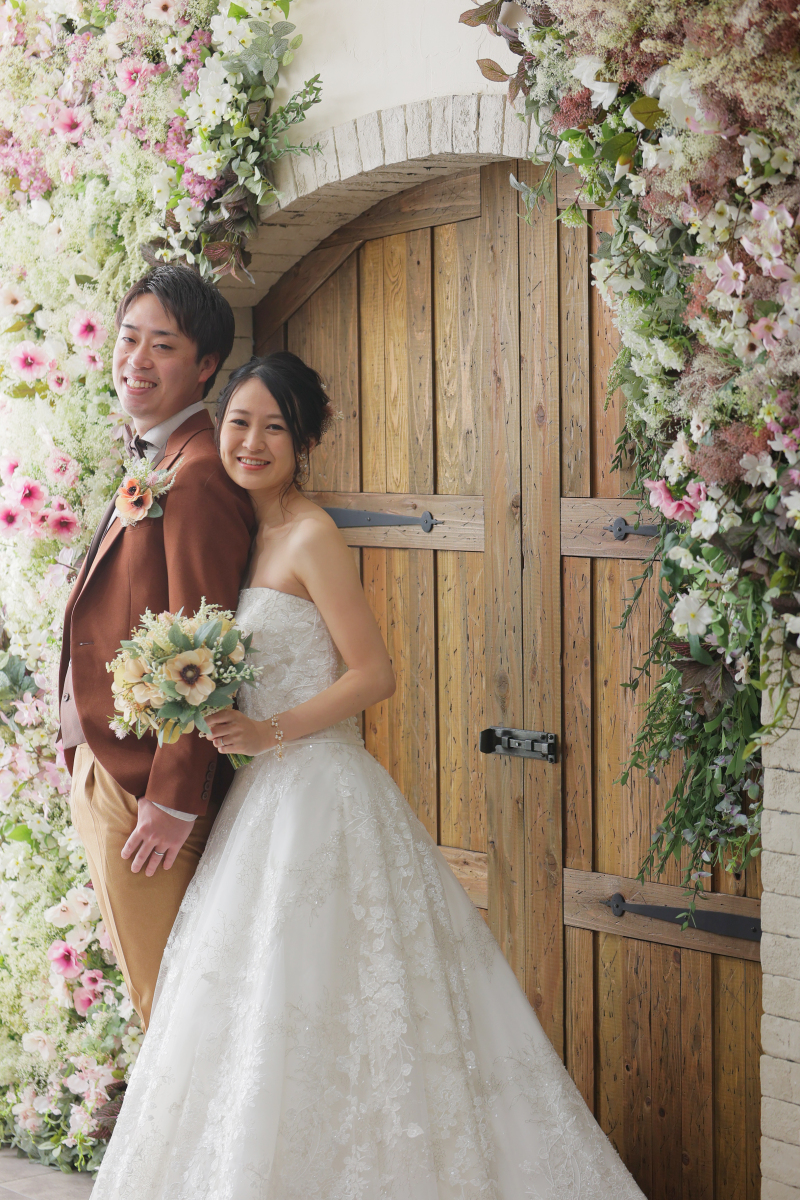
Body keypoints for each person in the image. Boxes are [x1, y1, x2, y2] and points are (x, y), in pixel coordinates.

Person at [90, 352, 644, 1199]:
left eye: (275, 426)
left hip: (323, 788)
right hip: (266, 801)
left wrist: (269, 729)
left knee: (362, 997)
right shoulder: (242, 534)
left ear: (303, 439)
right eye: (239, 422)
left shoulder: (311, 533)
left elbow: (372, 674)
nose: (252, 441)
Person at [58, 264, 254, 1029]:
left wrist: (173, 797)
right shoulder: (156, 460)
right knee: (163, 1000)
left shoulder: (199, 475)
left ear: (205, 365)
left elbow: (208, 647)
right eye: (128, 337)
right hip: (106, 764)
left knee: (172, 1008)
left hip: (146, 785)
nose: (135, 359)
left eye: (162, 345)